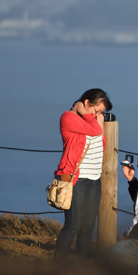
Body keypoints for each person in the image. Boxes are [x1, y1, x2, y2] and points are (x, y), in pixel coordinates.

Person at [53, 88, 112, 259]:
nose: (98, 115)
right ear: (87, 103)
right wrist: (86, 113)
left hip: (94, 179)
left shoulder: (94, 121)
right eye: (97, 110)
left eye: (101, 112)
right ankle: (60, 262)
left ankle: (83, 264)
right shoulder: (68, 118)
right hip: (76, 178)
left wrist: (94, 118)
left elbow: (101, 145)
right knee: (73, 225)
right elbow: (95, 132)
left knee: (88, 227)